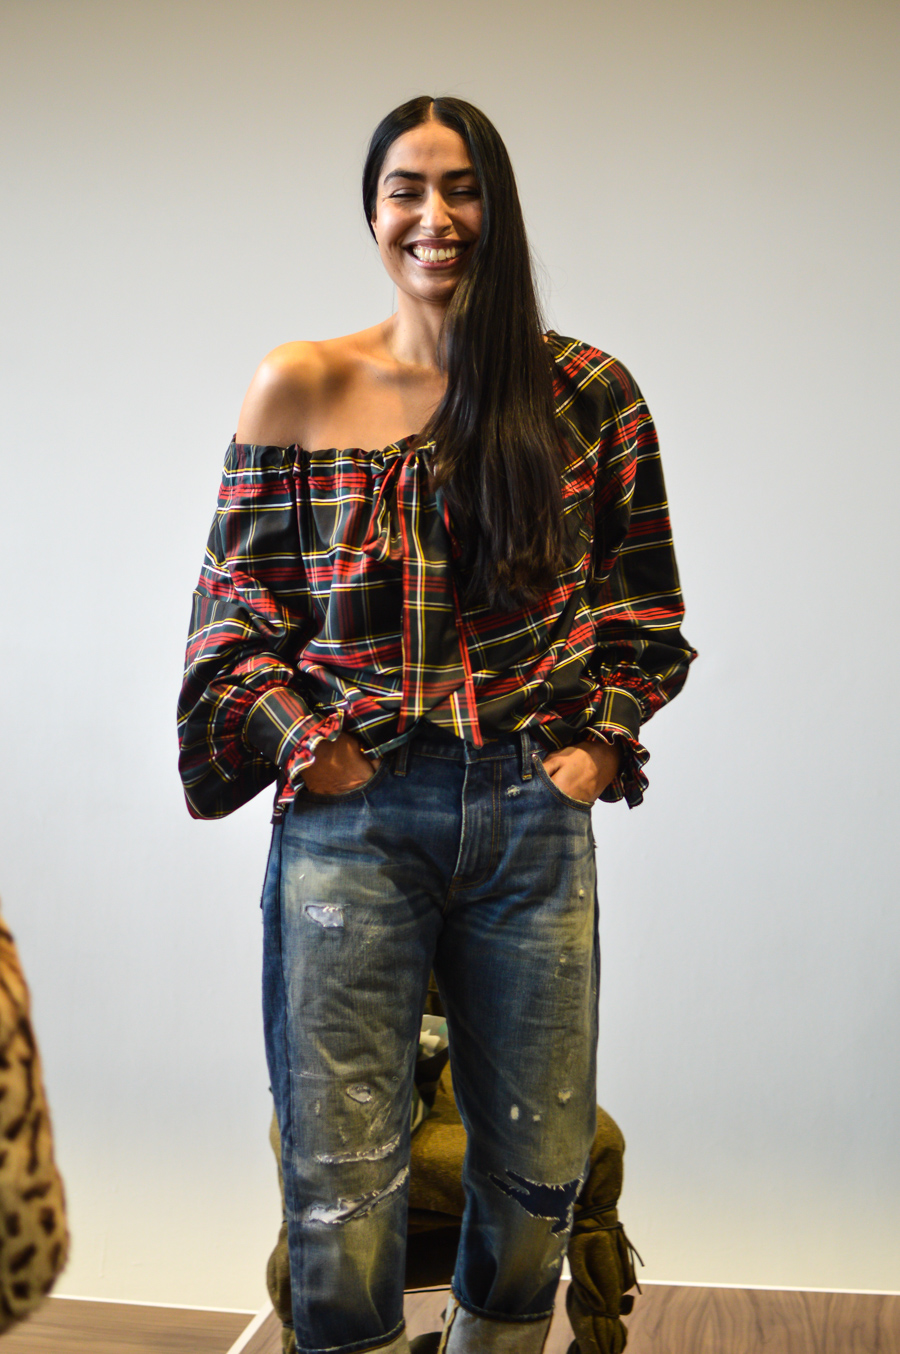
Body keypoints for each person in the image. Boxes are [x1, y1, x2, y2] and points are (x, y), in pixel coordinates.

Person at [178, 95, 695, 1354]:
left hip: (530, 821)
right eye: (406, 188)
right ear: (372, 211)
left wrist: (597, 748)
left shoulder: (587, 393)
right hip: (351, 829)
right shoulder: (299, 384)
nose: (435, 215)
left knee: (537, 1169)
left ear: (496, 206)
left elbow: (647, 608)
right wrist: (310, 746)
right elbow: (232, 620)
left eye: (460, 187)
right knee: (340, 1174)